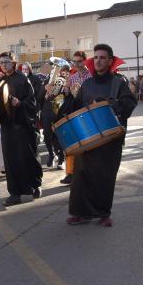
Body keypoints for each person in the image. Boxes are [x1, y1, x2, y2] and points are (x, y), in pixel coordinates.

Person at [60, 44, 137, 227]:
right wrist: (66, 102)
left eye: (102, 58)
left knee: (105, 176)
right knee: (81, 175)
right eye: (96, 58)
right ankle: (81, 213)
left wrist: (107, 103)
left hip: (111, 138)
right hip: (87, 136)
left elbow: (128, 103)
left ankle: (103, 214)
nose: (98, 61)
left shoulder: (119, 82)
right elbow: (76, 106)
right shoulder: (87, 84)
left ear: (110, 61)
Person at [0, 52, 42, 207]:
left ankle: (34, 185)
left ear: (13, 62)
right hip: (7, 126)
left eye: (6, 62)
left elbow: (32, 103)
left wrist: (20, 103)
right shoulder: (0, 81)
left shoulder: (23, 79)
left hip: (22, 125)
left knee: (27, 157)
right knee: (10, 160)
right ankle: (14, 193)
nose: (3, 64)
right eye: (1, 62)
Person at [60, 51, 92, 185]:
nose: (77, 64)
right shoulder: (72, 78)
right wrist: (65, 89)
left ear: (85, 61)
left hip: (87, 112)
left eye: (79, 61)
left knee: (87, 145)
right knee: (72, 144)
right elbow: (67, 96)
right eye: (75, 62)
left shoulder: (91, 76)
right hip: (74, 113)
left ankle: (87, 173)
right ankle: (70, 173)